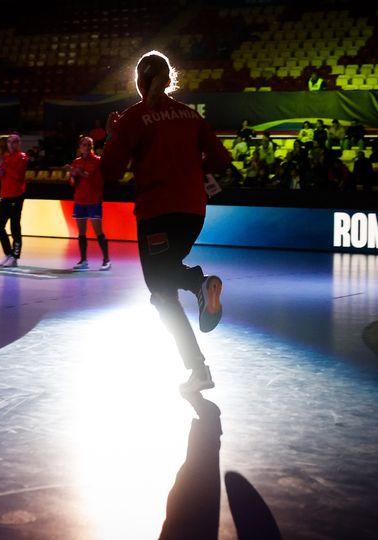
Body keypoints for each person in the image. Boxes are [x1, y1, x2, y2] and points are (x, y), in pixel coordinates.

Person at [101, 51, 231, 396]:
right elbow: (222, 158)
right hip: (193, 212)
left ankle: (199, 283)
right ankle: (198, 370)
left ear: (139, 81)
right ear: (169, 77)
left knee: (158, 283)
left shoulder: (134, 117)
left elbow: (109, 173)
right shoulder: (190, 115)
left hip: (157, 211)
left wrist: (113, 136)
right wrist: (191, 166)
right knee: (162, 293)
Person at [67, 136, 110, 271]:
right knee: (81, 233)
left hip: (94, 201)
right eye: (84, 144)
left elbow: (88, 176)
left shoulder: (97, 161)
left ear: (92, 146)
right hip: (80, 200)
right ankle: (83, 260)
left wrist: (78, 171)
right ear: (80, 147)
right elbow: (73, 183)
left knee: (98, 232)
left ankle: (106, 260)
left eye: (89, 144)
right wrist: (72, 175)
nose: (87, 147)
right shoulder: (76, 161)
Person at [0, 133, 29, 267]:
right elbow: (0, 175)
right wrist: (0, 167)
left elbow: (19, 176)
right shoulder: (6, 157)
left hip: (16, 196)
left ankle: (15, 257)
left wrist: (4, 165)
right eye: (9, 142)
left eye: (13, 142)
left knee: (14, 227)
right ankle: (8, 253)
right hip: (5, 195)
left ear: (18, 143)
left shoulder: (22, 157)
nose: (10, 144)